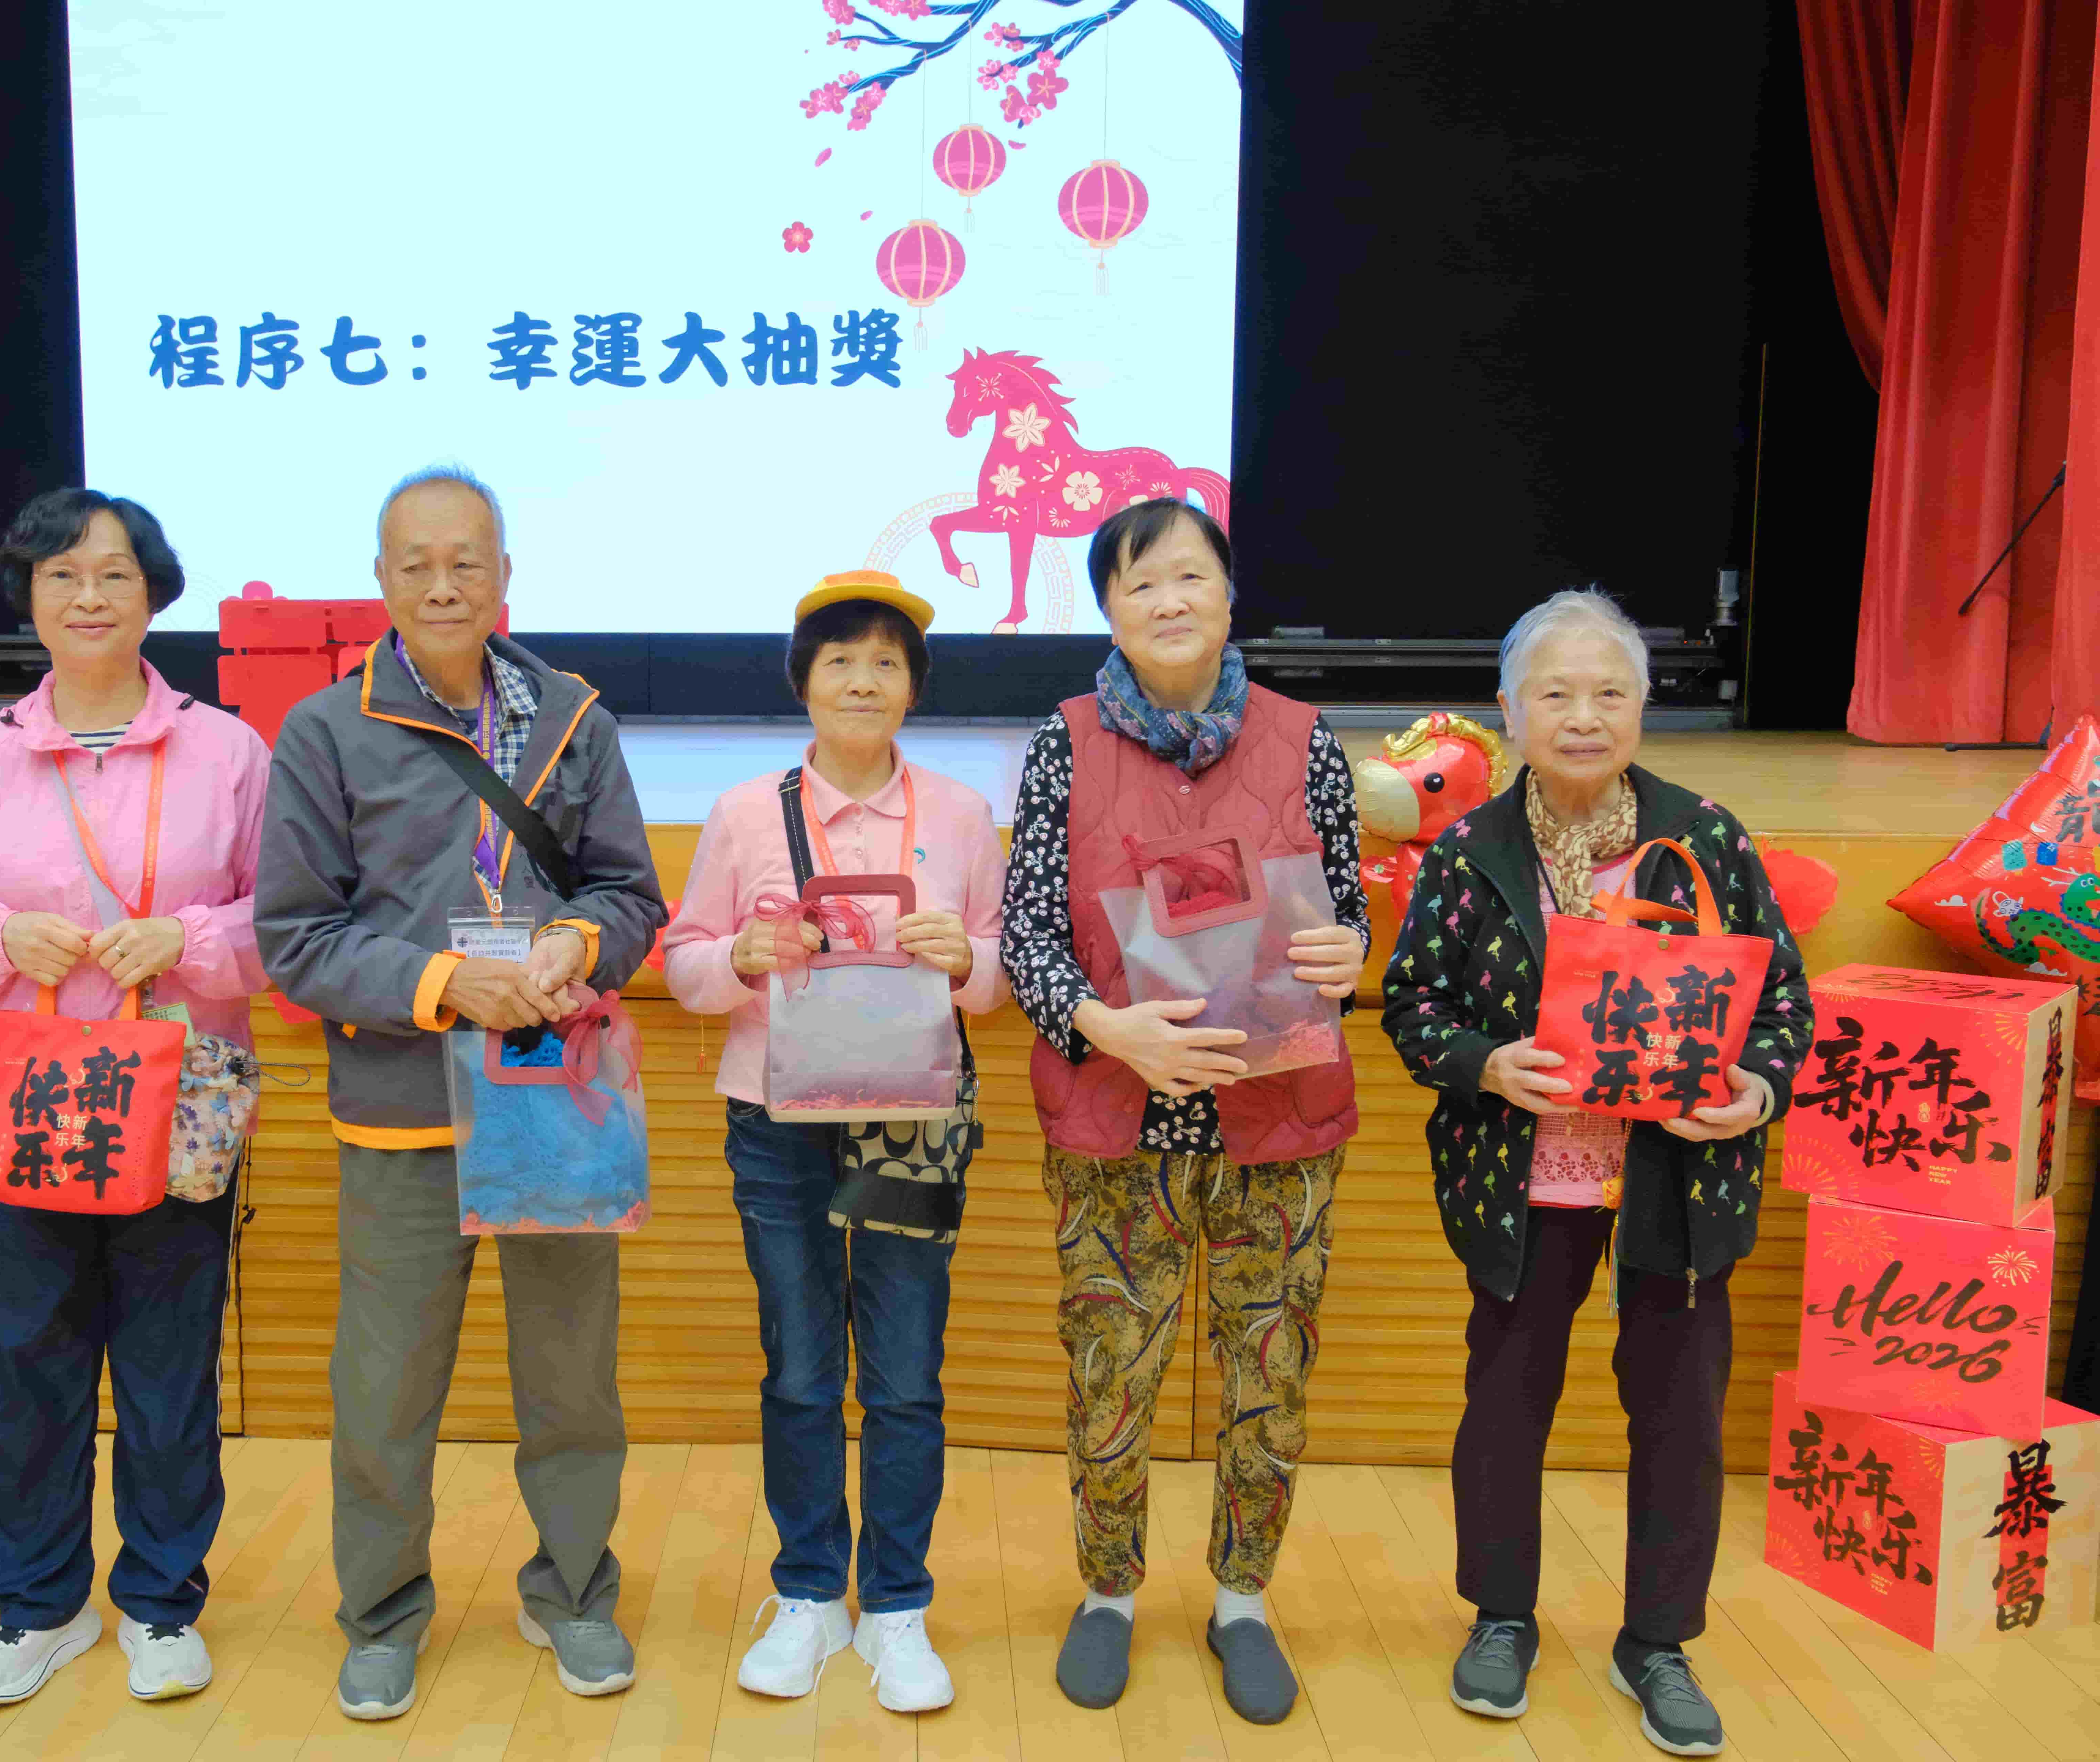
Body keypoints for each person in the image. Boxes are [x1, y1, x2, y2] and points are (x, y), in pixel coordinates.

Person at [256, 464, 668, 1722]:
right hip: (402, 1110)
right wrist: (446, 982)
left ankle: (575, 1593)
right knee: (384, 1392)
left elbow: (630, 896)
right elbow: (296, 939)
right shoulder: (325, 731)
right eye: (417, 564)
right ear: (382, 579)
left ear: (504, 575)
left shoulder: (574, 720)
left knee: (571, 1382)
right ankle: (382, 1616)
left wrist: (579, 942)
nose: (444, 585)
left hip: (552, 1103)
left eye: (467, 561)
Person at [1380, 588, 1810, 1758]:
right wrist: (1484, 1062)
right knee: (1507, 1400)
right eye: (1557, 694)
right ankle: (1501, 1619)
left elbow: (1784, 998)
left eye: (1610, 692)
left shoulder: (1706, 835)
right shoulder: (1469, 849)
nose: (1584, 716)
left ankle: (1658, 1641)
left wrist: (1758, 1089)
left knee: (1681, 1412)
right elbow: (1412, 1005)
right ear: (1508, 712)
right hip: (1527, 1173)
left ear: (1644, 707)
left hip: (1679, 1173)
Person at [999, 496, 1368, 1721]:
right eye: (1141, 582)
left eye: (1190, 576)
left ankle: (1244, 1601)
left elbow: (1346, 912)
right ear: (1109, 610)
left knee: (1272, 1368)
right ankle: (1108, 1593)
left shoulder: (1306, 737)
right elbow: (1028, 934)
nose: (1170, 600)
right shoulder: (1063, 741)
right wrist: (1111, 1030)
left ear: (1229, 592)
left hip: (1277, 1115)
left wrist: (1349, 956)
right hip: (1122, 1110)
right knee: (1113, 1368)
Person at [0, 489, 270, 1707]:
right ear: (30, 598)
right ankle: (38, 1608)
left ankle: (162, 1602)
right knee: (32, 1365)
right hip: (26, 1114)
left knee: (170, 1368)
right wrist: (2, 940)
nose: (90, 596)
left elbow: (288, 924)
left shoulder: (228, 752)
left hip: (178, 1115)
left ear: (155, 593)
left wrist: (189, 938)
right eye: (61, 575)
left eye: (114, 574)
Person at [660, 572, 1007, 1713]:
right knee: (802, 1369)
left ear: (914, 686)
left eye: (886, 662)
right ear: (804, 681)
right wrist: (742, 958)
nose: (863, 681)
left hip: (910, 1119)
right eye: (840, 660)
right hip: (776, 1119)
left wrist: (966, 958)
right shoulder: (745, 812)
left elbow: (1001, 976)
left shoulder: (960, 814)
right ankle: (810, 1591)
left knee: (904, 1373)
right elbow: (685, 964)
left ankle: (898, 1604)